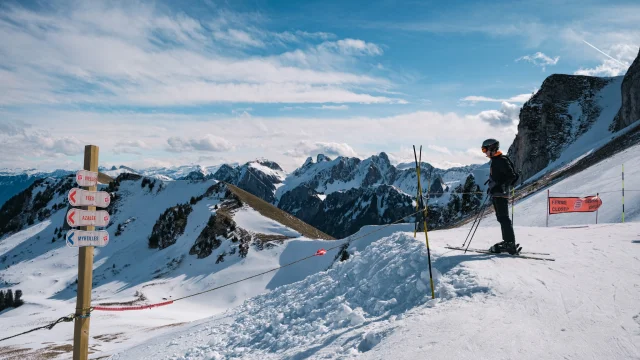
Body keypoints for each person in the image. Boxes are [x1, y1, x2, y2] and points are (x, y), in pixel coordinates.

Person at [482, 138, 519, 255]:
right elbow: (500, 177)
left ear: (492, 148)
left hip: (500, 194)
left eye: (484, 149)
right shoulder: (496, 160)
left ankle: (509, 243)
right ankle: (508, 242)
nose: (484, 152)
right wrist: (493, 186)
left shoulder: (501, 160)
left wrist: (500, 186)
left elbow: (512, 176)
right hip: (497, 193)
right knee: (501, 218)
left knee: (503, 218)